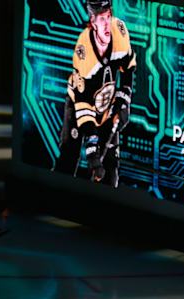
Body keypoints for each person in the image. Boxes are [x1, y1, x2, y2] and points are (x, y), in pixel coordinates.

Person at [53, 0, 136, 187]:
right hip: (79, 108)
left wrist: (125, 97)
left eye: (109, 16)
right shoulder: (84, 52)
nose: (107, 23)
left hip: (106, 106)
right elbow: (83, 106)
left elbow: (129, 66)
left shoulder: (120, 31)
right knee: (70, 156)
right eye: (101, 18)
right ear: (93, 21)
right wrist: (92, 150)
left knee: (111, 167)